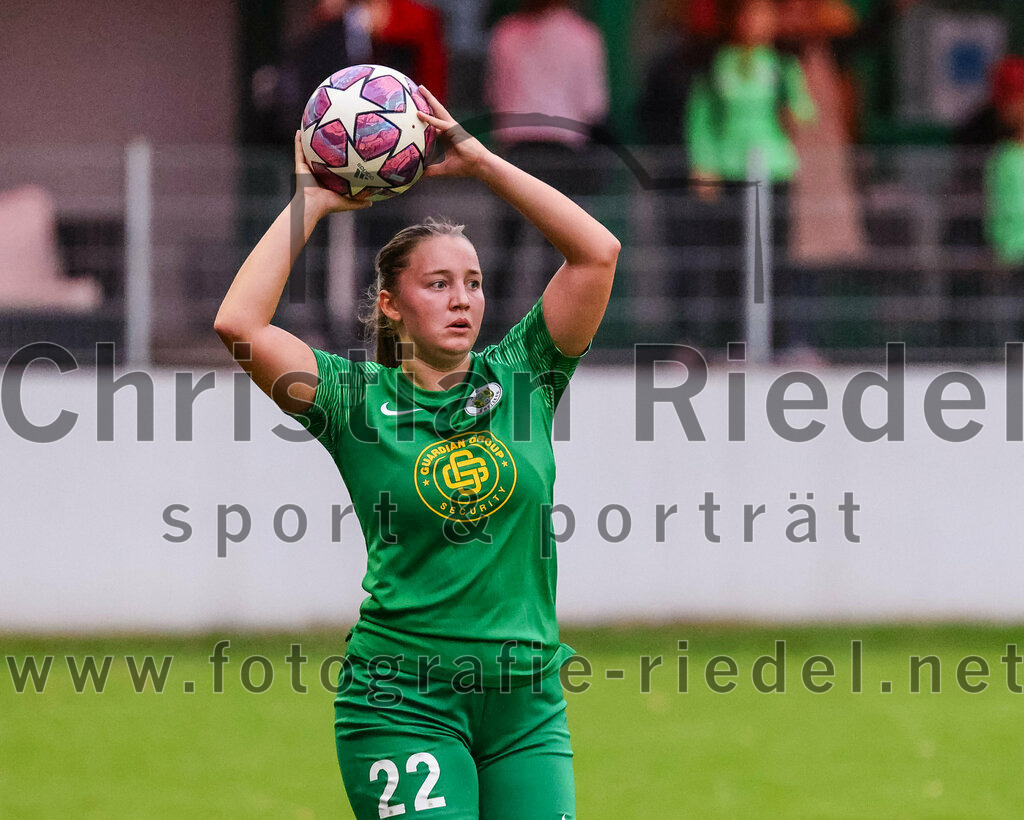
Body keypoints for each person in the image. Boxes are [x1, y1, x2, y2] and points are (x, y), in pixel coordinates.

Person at [213, 87, 620, 819]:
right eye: (438, 284)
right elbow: (239, 323)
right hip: (403, 701)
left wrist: (484, 163)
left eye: (474, 284)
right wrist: (311, 202)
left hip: (526, 705)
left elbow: (598, 254)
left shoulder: (525, 374)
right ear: (391, 304)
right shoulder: (352, 400)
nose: (463, 299)